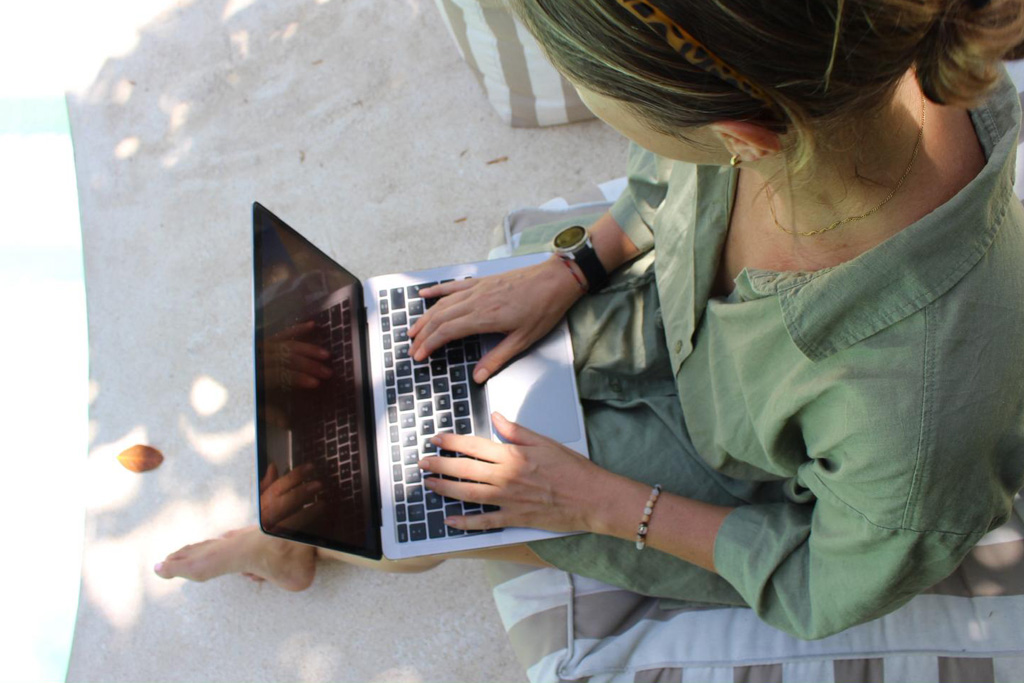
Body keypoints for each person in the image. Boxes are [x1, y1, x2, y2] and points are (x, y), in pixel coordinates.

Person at [156, 0, 1024, 639]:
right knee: (425, 379)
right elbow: (668, 169)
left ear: (739, 133)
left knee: (434, 496)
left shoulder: (920, 414)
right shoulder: (837, 64)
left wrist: (604, 505)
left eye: (601, 93)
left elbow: (829, 579)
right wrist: (575, 265)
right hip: (675, 309)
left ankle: (309, 545)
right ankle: (340, 521)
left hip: (743, 472)